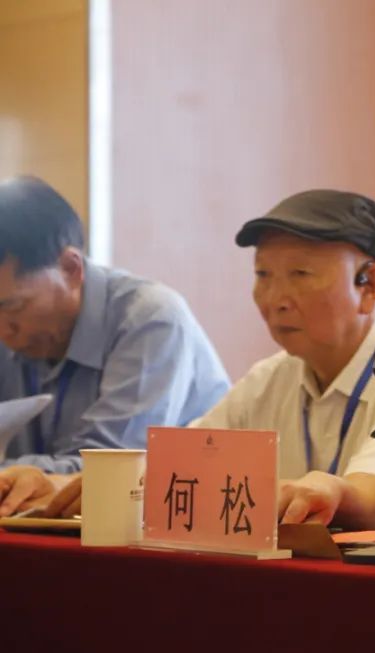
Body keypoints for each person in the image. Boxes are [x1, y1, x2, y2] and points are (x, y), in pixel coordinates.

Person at [188, 189, 375, 528]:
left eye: (300, 274)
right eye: (263, 275)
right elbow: (184, 463)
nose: (275, 299)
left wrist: (331, 494)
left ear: (370, 286)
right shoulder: (269, 380)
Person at [0, 176, 229, 518]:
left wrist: (13, 474)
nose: (3, 330)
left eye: (13, 307)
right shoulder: (17, 325)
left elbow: (111, 468)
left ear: (71, 268)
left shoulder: (149, 318)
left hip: (171, 530)